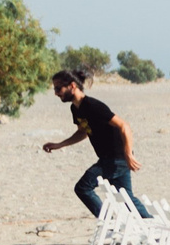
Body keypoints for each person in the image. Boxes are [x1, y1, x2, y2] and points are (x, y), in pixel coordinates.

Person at [44, 69, 149, 217]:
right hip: (112, 159)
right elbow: (83, 132)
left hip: (116, 158)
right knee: (127, 199)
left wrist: (128, 154)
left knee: (83, 188)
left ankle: (108, 222)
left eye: (58, 88)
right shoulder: (75, 109)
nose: (56, 93)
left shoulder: (93, 106)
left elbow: (124, 126)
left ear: (72, 86)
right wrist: (59, 145)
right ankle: (153, 227)